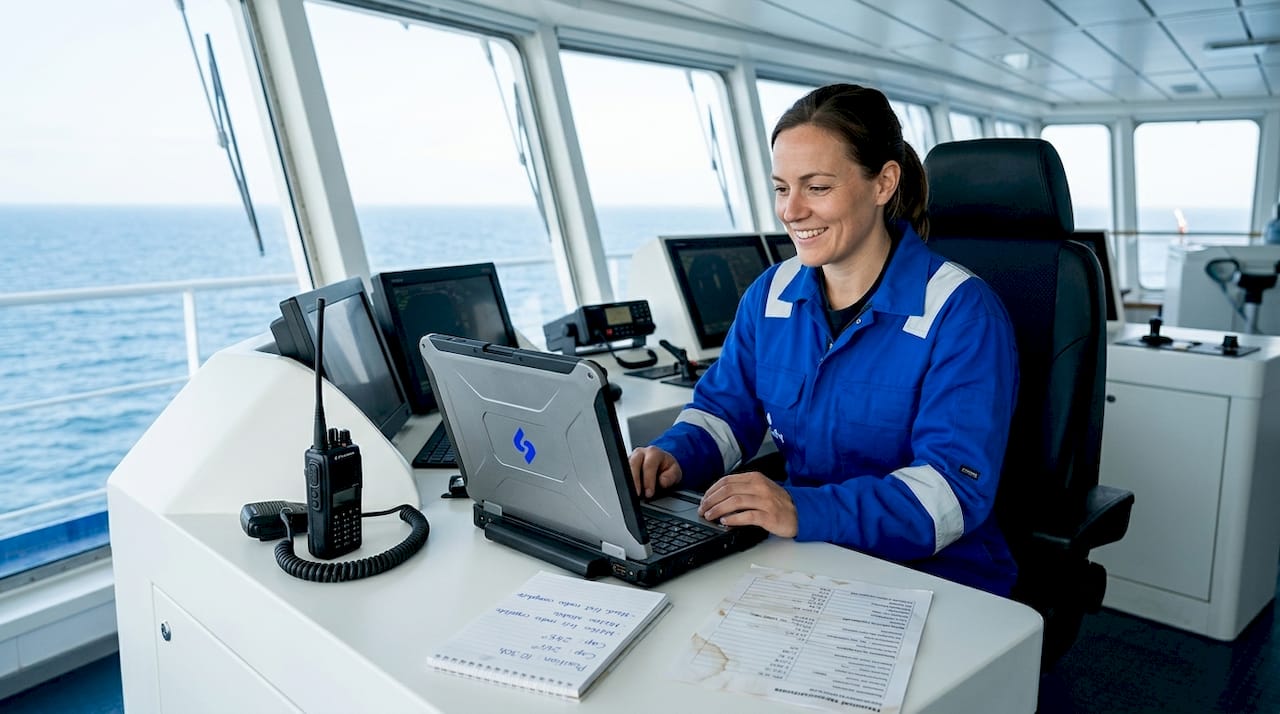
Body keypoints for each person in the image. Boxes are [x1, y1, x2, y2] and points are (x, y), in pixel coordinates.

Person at [628, 84, 1020, 596]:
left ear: (883, 183)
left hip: (936, 574)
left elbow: (948, 496)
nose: (791, 211)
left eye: (816, 188)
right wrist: (675, 456)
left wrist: (801, 508)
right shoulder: (771, 294)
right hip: (808, 554)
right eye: (781, 187)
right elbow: (724, 413)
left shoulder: (962, 312)